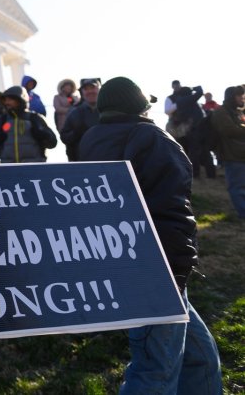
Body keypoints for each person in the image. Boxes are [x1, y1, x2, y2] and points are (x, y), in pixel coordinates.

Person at [78, 77, 222, 394]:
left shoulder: (92, 138)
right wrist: (179, 269)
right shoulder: (153, 138)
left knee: (200, 357)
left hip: (120, 259)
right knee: (155, 370)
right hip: (156, 269)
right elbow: (172, 210)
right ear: (142, 107)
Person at [0, 86, 57, 163]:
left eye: (10, 100)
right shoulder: (2, 119)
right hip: (8, 168)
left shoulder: (35, 118)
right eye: (5, 100)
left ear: (20, 100)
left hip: (34, 168)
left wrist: (42, 135)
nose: (6, 102)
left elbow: (52, 143)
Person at [211, 84, 245, 219]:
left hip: (241, 155)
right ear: (231, 97)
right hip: (233, 156)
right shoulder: (221, 112)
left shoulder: (238, 111)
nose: (242, 99)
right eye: (239, 96)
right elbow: (229, 130)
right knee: (237, 188)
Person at [59, 78, 101, 161]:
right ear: (82, 92)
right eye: (86, 89)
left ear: (99, 89)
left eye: (92, 88)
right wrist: (76, 133)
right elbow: (64, 137)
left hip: (105, 161)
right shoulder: (74, 112)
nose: (90, 91)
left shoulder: (108, 111)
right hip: (81, 162)